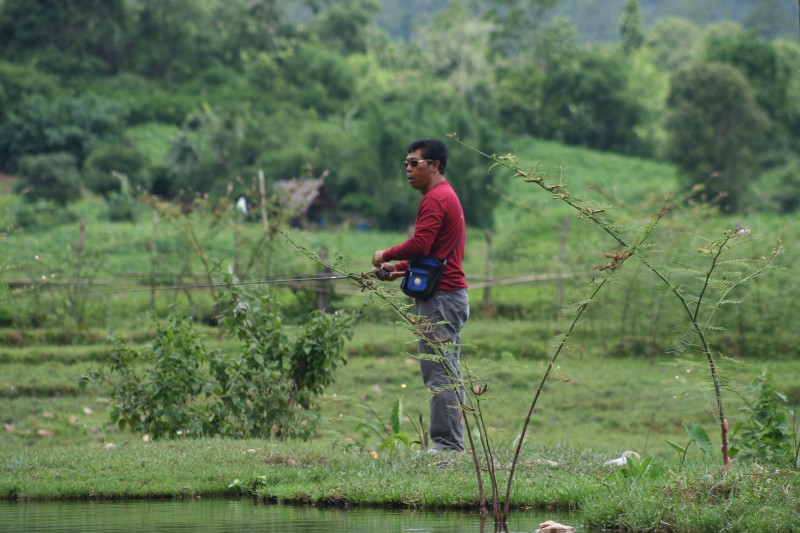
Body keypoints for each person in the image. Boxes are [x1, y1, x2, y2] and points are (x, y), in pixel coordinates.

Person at [371, 138, 469, 452]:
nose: (408, 169)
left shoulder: (435, 198)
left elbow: (420, 245)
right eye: (406, 164)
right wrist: (397, 268)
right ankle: (450, 443)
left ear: (434, 165)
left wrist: (383, 254)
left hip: (441, 299)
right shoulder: (444, 196)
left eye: (415, 163)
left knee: (438, 372)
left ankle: (446, 446)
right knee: (447, 370)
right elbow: (433, 255)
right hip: (447, 294)